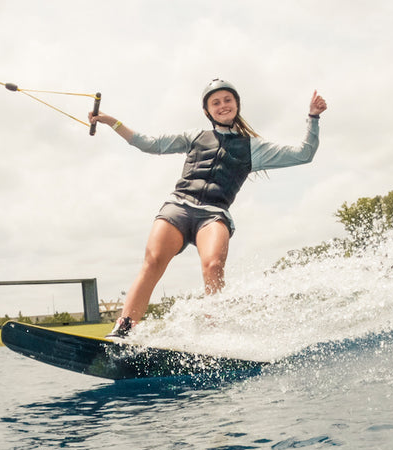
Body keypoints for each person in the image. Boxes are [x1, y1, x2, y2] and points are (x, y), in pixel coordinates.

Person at [89, 78, 327, 340]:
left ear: (236, 104)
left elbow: (304, 153)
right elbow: (149, 143)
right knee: (153, 261)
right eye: (215, 102)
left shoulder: (253, 147)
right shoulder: (195, 137)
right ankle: (124, 328)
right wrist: (112, 121)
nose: (222, 105)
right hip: (178, 207)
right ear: (207, 110)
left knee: (213, 266)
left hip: (214, 214)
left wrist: (312, 118)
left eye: (227, 100)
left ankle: (214, 337)